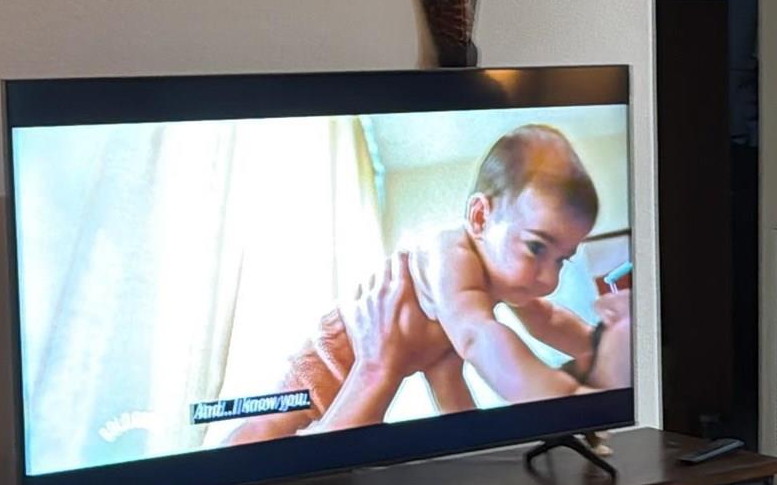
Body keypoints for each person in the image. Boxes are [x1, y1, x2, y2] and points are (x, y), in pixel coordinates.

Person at [221, 124, 630, 443]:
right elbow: (477, 337)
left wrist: (603, 356)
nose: (548, 277)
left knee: (455, 403)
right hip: (337, 349)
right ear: (480, 218)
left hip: (427, 356)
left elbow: (550, 320)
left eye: (562, 259)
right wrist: (559, 398)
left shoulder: (502, 281)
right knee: (266, 431)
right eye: (537, 248)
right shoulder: (450, 254)